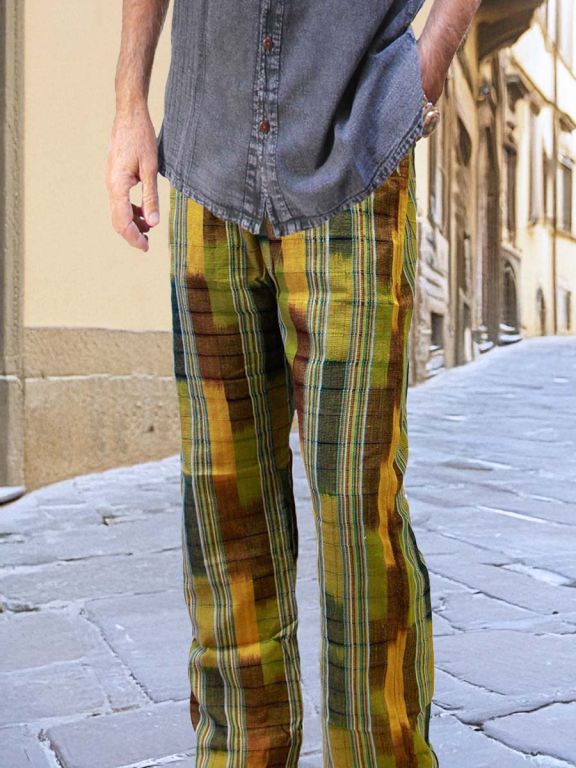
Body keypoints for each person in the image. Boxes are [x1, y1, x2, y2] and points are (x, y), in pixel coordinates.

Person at [106, 1, 480, 764]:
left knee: (358, 506)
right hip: (207, 157)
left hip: (354, 159)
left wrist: (427, 69)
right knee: (223, 506)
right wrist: (129, 106)